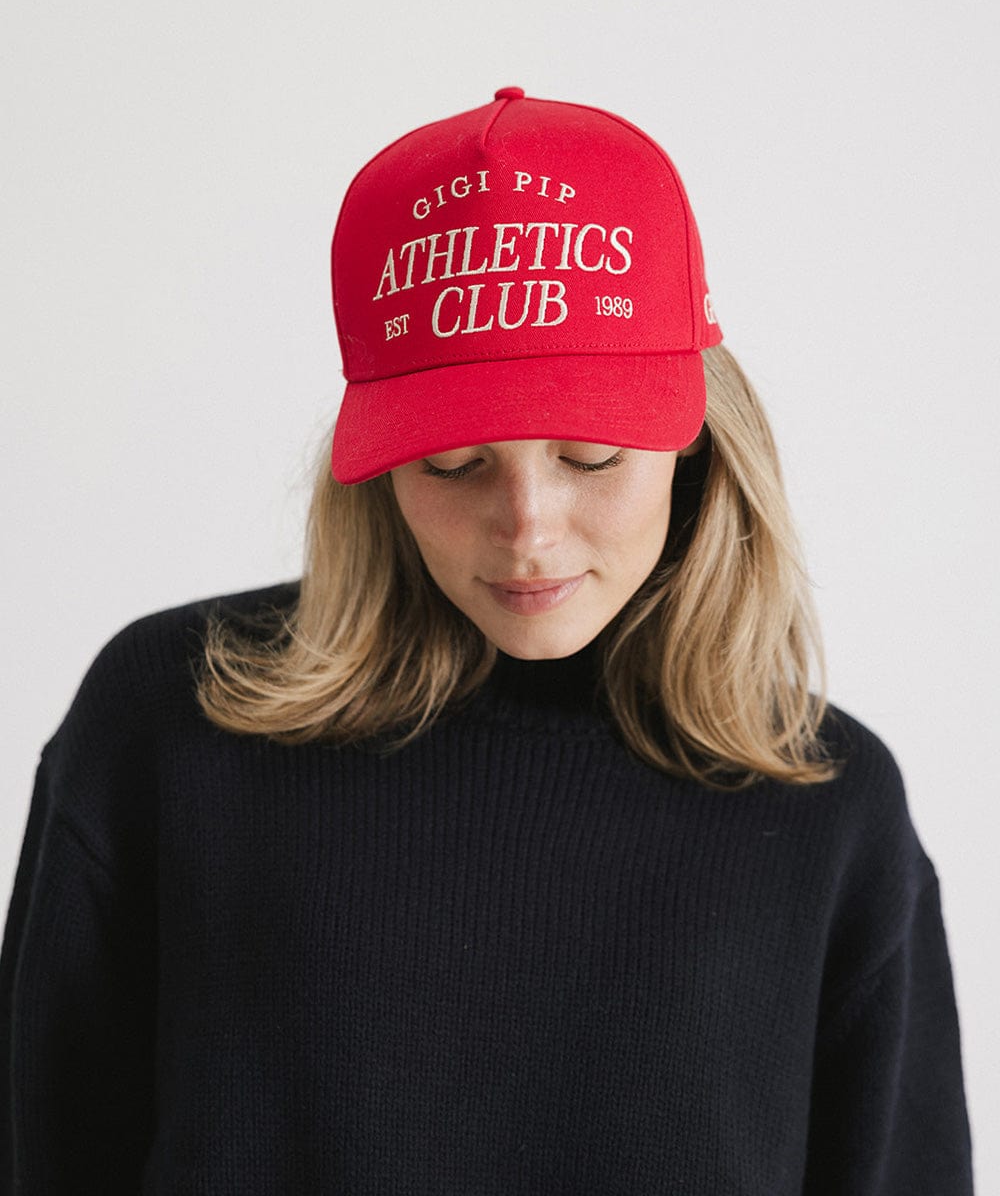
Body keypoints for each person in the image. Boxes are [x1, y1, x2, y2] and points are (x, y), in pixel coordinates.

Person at [0, 87, 974, 1193]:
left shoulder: (824, 810)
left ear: (698, 441)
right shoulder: (173, 728)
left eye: (591, 458)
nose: (526, 531)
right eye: (453, 464)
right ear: (370, 469)